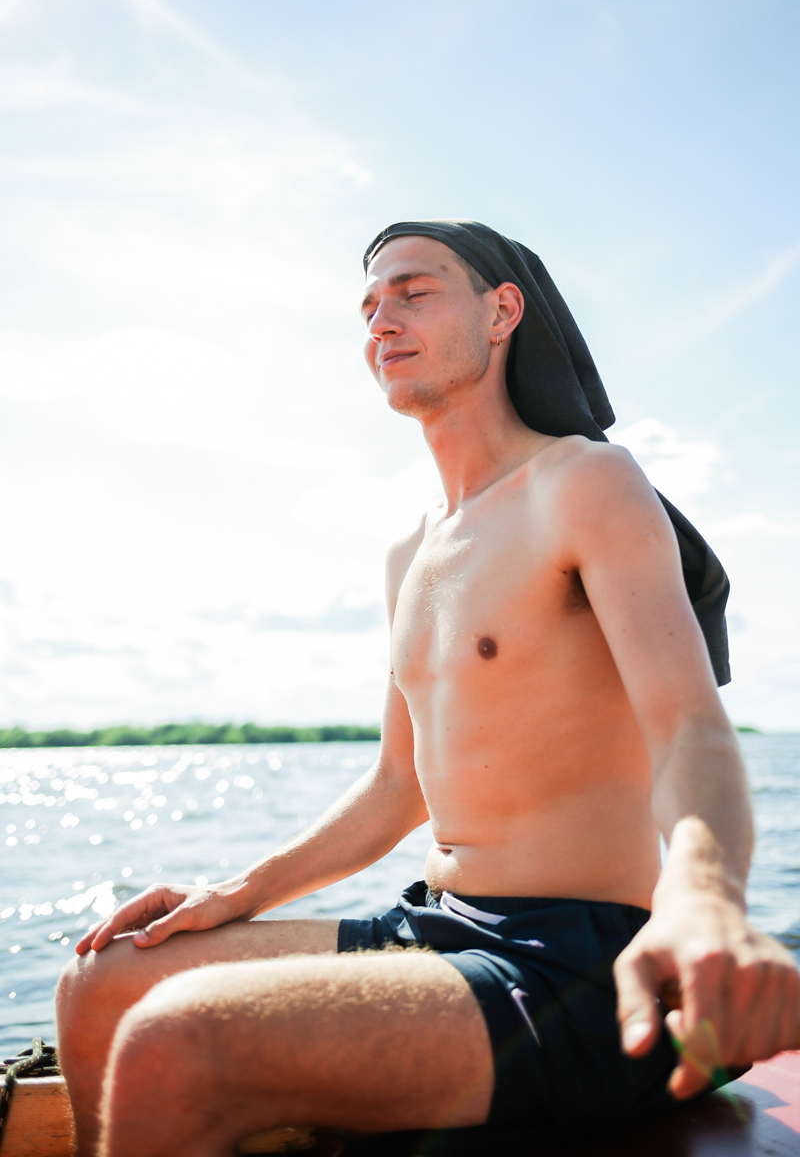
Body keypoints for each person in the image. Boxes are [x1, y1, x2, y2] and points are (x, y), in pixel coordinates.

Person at [56, 221, 799, 1157]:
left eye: (413, 292)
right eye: (369, 305)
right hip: (434, 925)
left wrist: (706, 895)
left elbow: (689, 725)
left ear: (501, 312)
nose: (382, 320)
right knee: (103, 984)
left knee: (177, 1037)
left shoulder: (585, 482)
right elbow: (397, 785)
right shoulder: (411, 550)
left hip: (576, 964)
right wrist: (232, 893)